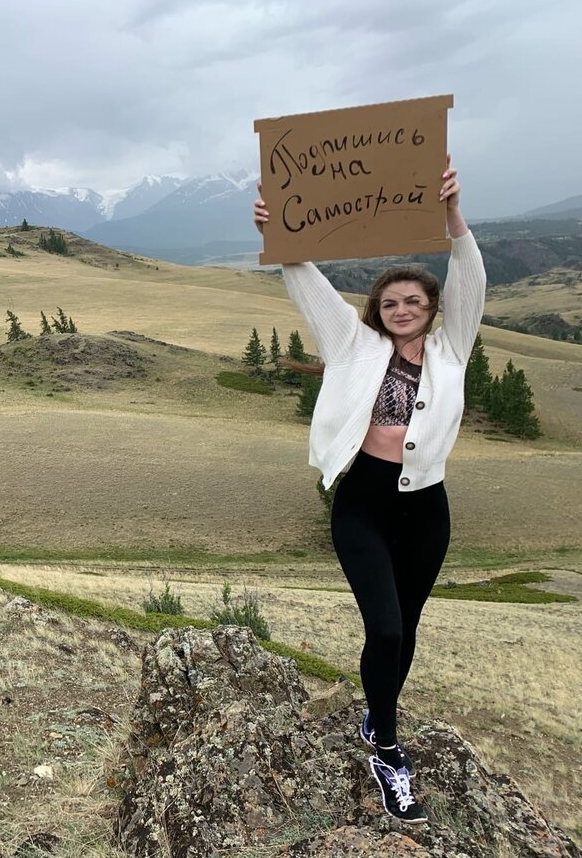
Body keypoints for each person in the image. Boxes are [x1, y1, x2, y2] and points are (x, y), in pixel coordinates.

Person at [254, 157, 485, 824]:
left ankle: (376, 713)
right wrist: (281, 234)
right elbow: (310, 285)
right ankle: (386, 748)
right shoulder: (354, 346)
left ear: (433, 309)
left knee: (404, 629)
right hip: (362, 501)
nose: (403, 308)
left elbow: (471, 278)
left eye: (415, 300)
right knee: (383, 625)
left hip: (426, 508)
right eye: (391, 302)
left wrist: (451, 214)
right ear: (377, 311)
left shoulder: (452, 350)